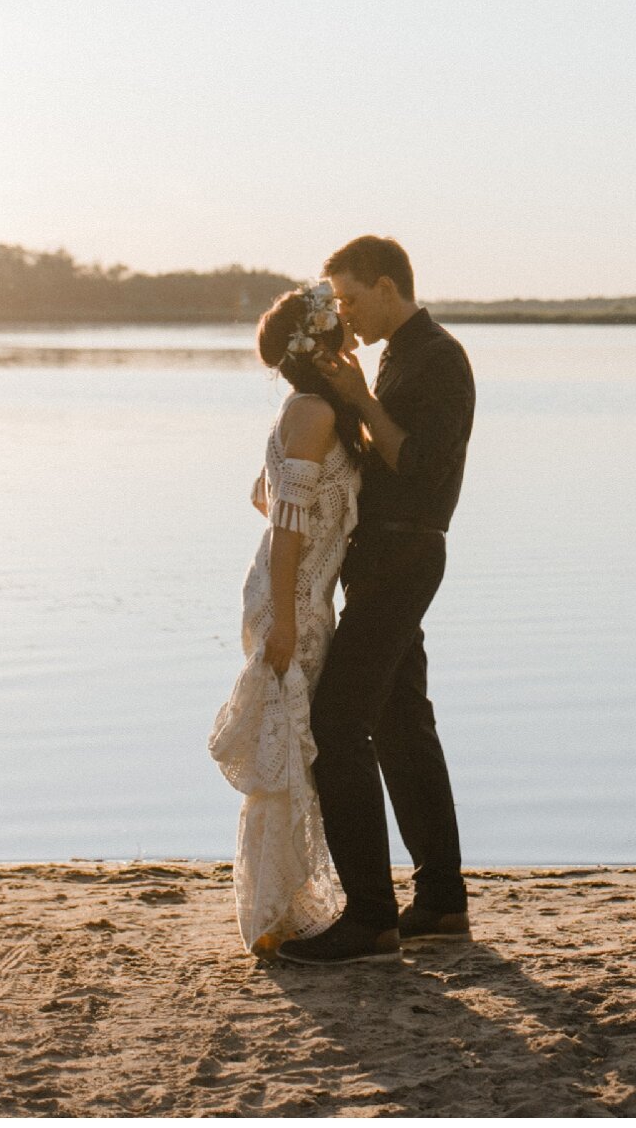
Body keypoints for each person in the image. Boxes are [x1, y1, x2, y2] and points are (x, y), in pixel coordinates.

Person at [277, 234, 476, 965]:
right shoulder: (397, 355)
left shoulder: (440, 357)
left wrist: (359, 399)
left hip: (407, 551)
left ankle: (370, 918)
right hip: (380, 554)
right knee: (401, 723)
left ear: (389, 286)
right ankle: (442, 901)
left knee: (336, 721)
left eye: (354, 299)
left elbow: (419, 465)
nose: (346, 315)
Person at [208, 282, 365, 955]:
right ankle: (281, 911)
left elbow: (263, 495)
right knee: (290, 745)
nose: (353, 338)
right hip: (290, 600)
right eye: (342, 329)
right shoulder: (312, 413)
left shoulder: (314, 409)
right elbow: (283, 516)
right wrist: (283, 614)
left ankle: (290, 905)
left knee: (295, 742)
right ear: (321, 342)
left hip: (299, 592)